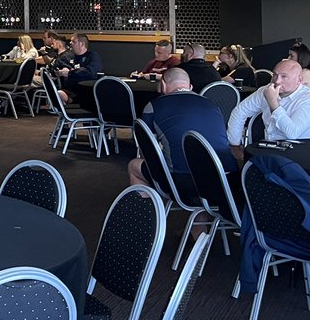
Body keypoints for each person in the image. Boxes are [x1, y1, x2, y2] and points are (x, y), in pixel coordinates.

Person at [127, 68, 237, 200]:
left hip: (184, 183)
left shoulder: (153, 106)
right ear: (190, 87)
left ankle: (148, 209)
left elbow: (147, 149)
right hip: (226, 180)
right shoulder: (212, 105)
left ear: (163, 85)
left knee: (134, 166)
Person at [228, 59, 310, 162]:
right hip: (270, 149)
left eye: (284, 76)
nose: (277, 81)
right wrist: (234, 144)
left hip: (298, 155)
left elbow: (293, 133)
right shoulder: (266, 90)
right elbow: (240, 111)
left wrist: (273, 104)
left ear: (299, 80)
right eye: (275, 75)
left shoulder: (307, 98)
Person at [55, 34, 103, 102]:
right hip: (69, 90)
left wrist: (70, 73)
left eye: (73, 41)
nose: (70, 43)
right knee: (57, 93)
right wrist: (59, 72)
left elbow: (90, 72)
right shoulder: (68, 57)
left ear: (81, 44)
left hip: (87, 92)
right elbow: (56, 68)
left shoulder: (93, 57)